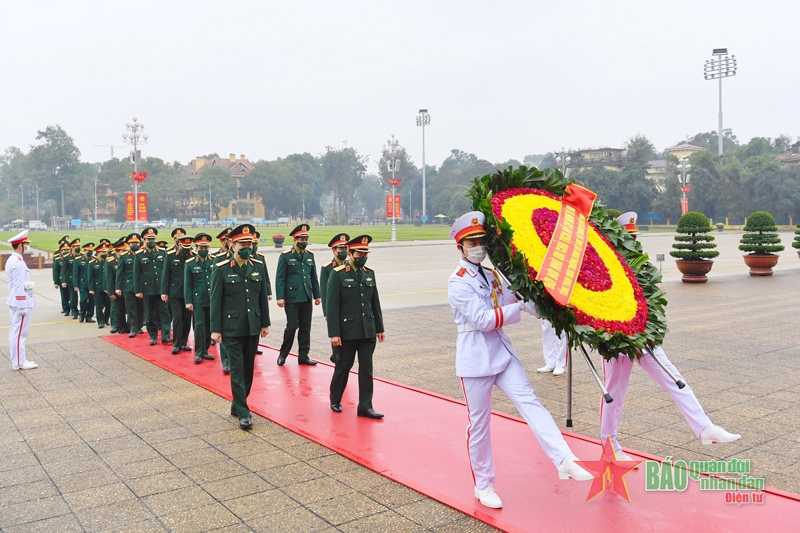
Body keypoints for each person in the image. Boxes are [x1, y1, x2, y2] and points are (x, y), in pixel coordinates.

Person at [448, 211, 593, 510]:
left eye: (481, 240)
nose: (478, 246)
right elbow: (484, 320)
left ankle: (564, 458)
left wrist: (544, 301)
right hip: (475, 359)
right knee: (479, 425)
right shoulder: (458, 281)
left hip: (502, 353)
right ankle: (483, 484)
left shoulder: (491, 274)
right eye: (471, 242)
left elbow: (515, 299)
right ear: (459, 246)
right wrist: (520, 308)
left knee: (531, 403)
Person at [601, 212, 741, 461]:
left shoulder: (639, 264)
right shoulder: (604, 265)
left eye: (635, 237)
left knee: (673, 377)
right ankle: (610, 445)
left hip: (645, 337)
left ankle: (705, 428)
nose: (634, 242)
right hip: (617, 340)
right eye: (629, 237)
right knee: (614, 392)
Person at [210, 224, 270, 430]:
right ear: (232, 245)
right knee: (237, 370)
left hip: (252, 326)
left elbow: (262, 297)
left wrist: (265, 323)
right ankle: (244, 412)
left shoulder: (258, 266)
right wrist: (215, 329)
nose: (247, 247)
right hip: (231, 328)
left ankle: (237, 403)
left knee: (248, 370)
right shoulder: (221, 269)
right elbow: (215, 301)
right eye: (243, 244)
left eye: (250, 244)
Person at [326, 235, 385, 418]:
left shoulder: (369, 273)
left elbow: (375, 302)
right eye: (360, 253)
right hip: (347, 331)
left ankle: (365, 406)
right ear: (350, 254)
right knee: (343, 366)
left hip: (367, 329)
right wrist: (334, 334)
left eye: (366, 253)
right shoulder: (338, 274)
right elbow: (332, 306)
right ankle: (335, 399)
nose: (363, 256)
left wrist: (379, 328)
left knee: (366, 369)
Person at [275, 223, 321, 366]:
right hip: (292, 297)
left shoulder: (310, 255)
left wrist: (317, 295)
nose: (304, 242)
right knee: (292, 326)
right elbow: (280, 277)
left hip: (306, 296)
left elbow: (313, 276)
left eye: (305, 239)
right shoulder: (286, 256)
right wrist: (280, 297)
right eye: (301, 239)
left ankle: (303, 356)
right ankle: (283, 354)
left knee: (306, 327)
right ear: (295, 240)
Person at [135, 227, 171, 346]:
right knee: (149, 314)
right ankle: (153, 336)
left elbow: (166, 272)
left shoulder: (162, 252)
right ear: (144, 240)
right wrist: (138, 290)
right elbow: (137, 274)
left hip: (161, 288)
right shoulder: (139, 255)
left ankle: (166, 335)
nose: (151, 241)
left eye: (153, 239)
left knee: (164, 312)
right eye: (148, 239)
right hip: (148, 288)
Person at [7, 230, 37, 370]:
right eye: (26, 244)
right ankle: (19, 362)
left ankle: (18, 359)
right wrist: (22, 305)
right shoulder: (18, 262)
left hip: (15, 300)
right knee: (20, 333)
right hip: (21, 302)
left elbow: (11, 285)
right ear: (20, 246)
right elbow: (18, 286)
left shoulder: (12, 259)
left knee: (16, 331)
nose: (27, 246)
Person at [162, 233, 194, 354]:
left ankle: (184, 342)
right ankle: (176, 343)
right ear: (178, 244)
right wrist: (164, 292)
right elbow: (166, 274)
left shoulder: (193, 256)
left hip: (189, 294)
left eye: (188, 247)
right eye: (183, 246)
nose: (185, 249)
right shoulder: (170, 256)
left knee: (187, 319)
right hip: (175, 292)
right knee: (177, 318)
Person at [320, 233, 349, 363]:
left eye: (345, 248)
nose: (343, 251)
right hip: (334, 309)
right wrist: (327, 312)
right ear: (334, 250)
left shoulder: (350, 265)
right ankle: (336, 357)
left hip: (347, 308)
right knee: (336, 337)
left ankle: (337, 357)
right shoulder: (327, 268)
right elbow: (325, 292)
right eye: (340, 249)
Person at [185, 233, 214, 364]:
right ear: (196, 248)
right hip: (198, 300)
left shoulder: (214, 261)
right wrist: (188, 301)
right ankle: (198, 352)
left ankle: (206, 350)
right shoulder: (190, 264)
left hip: (211, 299)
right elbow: (188, 284)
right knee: (199, 326)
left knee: (209, 326)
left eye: (206, 247)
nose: (203, 250)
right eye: (201, 248)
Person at [117, 234, 144, 338]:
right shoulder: (124, 257)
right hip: (128, 285)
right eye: (132, 243)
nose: (135, 245)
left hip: (141, 285)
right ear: (128, 244)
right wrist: (118, 287)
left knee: (140, 307)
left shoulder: (142, 255)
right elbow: (120, 273)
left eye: (137, 243)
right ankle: (132, 327)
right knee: (131, 307)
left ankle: (139, 326)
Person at [106, 238, 127, 334]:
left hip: (127, 288)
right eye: (122, 251)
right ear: (117, 252)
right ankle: (118, 326)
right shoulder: (111, 262)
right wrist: (111, 292)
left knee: (130, 309)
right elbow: (109, 279)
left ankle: (129, 327)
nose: (124, 253)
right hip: (116, 290)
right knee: (117, 310)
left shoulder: (129, 259)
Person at [73, 243, 96, 323]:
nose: (90, 252)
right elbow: (75, 273)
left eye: (91, 250)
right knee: (83, 300)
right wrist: (75, 285)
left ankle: (89, 316)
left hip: (92, 284)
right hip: (83, 284)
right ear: (84, 251)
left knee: (92, 301)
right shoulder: (78, 260)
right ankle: (82, 314)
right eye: (88, 251)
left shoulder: (94, 259)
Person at [91, 242, 111, 329]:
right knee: (99, 306)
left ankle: (106, 318)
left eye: (105, 252)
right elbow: (90, 277)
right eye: (103, 252)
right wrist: (91, 288)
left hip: (107, 288)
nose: (105, 254)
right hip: (97, 287)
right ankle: (100, 321)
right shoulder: (92, 263)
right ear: (98, 252)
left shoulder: (108, 262)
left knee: (109, 305)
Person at [61, 238, 81, 319]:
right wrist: (64, 281)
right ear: (72, 247)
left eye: (79, 246)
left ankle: (83, 311)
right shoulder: (67, 257)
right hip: (71, 280)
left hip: (82, 280)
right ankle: (74, 311)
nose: (78, 247)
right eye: (76, 246)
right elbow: (64, 270)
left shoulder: (82, 256)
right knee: (73, 298)